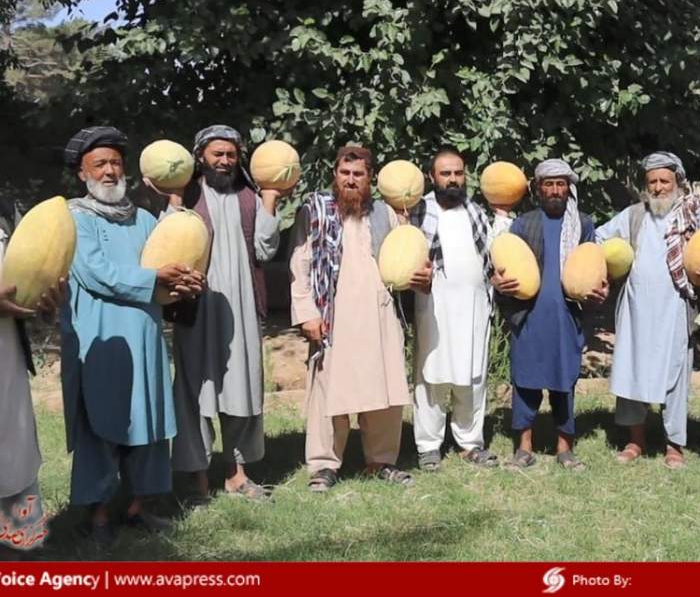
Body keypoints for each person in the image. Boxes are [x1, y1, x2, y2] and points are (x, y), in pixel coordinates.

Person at [60, 126, 203, 544]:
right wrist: (155, 276)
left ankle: (141, 507)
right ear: (81, 173)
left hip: (145, 334)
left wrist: (183, 281)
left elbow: (169, 261)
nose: (109, 171)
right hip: (100, 337)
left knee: (148, 419)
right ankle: (100, 513)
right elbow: (97, 274)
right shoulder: (74, 219)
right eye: (99, 164)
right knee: (103, 420)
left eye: (115, 163)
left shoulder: (143, 218)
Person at [151, 125, 282, 501]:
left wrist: (270, 201)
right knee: (193, 389)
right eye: (216, 154)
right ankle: (198, 480)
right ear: (201, 157)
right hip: (196, 308)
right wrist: (174, 202)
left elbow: (265, 248)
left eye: (230, 154)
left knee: (242, 384)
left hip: (241, 307)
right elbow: (163, 250)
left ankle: (237, 473)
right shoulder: (187, 195)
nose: (224, 161)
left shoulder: (248, 197)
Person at [290, 146, 427, 492]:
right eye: (344, 173)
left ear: (370, 179)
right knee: (328, 390)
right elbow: (299, 266)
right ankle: (323, 465)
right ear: (335, 174)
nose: (350, 180)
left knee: (383, 388)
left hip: (379, 313)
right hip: (332, 314)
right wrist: (306, 312)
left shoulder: (387, 213)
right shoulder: (315, 210)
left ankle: (381, 461)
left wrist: (422, 275)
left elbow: (407, 256)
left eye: (358, 174)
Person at [595, 152, 700, 468]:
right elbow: (598, 239)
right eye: (653, 182)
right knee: (632, 369)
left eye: (665, 181)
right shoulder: (634, 215)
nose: (659, 188)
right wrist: (602, 271)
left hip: (676, 309)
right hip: (636, 309)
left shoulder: (697, 217)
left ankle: (674, 444)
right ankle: (635, 440)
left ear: (677, 182)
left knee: (675, 373)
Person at [493, 158, 606, 470]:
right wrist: (498, 282)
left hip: (565, 319)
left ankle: (564, 448)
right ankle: (524, 448)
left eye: (561, 184)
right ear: (538, 188)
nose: (555, 190)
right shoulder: (523, 223)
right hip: (529, 318)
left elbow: (592, 265)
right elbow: (504, 267)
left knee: (563, 383)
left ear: (569, 188)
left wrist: (600, 290)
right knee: (525, 382)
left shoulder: (583, 223)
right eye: (549, 184)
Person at [409, 148, 512, 471]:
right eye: (445, 173)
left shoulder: (476, 212)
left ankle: (470, 443)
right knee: (431, 377)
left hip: (475, 307)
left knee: (473, 375)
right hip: (433, 307)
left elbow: (495, 250)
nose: (453, 179)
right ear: (432, 177)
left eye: (458, 173)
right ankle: (428, 446)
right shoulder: (418, 212)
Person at [0, 201, 63, 558]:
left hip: (7, 359)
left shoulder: (6, 216)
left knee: (14, 451)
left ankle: (20, 544)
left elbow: (25, 287)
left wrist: (45, 306)